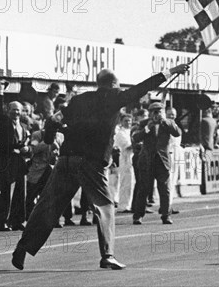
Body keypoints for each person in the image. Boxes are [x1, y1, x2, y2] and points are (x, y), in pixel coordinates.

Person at [11, 63, 189, 271]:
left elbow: (52, 121)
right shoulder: (113, 97)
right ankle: (108, 255)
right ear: (114, 84)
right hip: (91, 162)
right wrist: (170, 72)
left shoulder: (78, 100)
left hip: (66, 159)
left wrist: (50, 139)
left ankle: (22, 249)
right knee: (105, 206)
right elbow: (142, 88)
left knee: (47, 206)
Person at [132, 102, 181, 225]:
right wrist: (147, 128)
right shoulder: (144, 124)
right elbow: (136, 138)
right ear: (149, 113)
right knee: (143, 189)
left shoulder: (168, 123)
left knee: (164, 189)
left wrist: (165, 121)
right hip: (147, 160)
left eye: (159, 111)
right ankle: (138, 215)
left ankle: (166, 215)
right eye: (154, 112)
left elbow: (177, 132)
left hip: (162, 161)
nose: (157, 114)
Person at [0, 102, 31, 232]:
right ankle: (1, 221)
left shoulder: (24, 127)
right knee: (6, 193)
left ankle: (18, 221)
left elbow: (28, 144)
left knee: (21, 193)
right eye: (13, 110)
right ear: (8, 111)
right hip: (7, 163)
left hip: (20, 164)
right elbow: (5, 144)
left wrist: (27, 148)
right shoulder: (5, 124)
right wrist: (0, 92)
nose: (16, 113)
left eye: (18, 110)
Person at [112, 114, 135, 212]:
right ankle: (123, 205)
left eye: (130, 121)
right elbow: (128, 146)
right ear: (121, 122)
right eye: (126, 121)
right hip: (125, 159)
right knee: (126, 183)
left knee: (131, 183)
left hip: (132, 159)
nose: (128, 123)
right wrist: (138, 143)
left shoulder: (130, 131)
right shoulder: (120, 133)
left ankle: (129, 204)